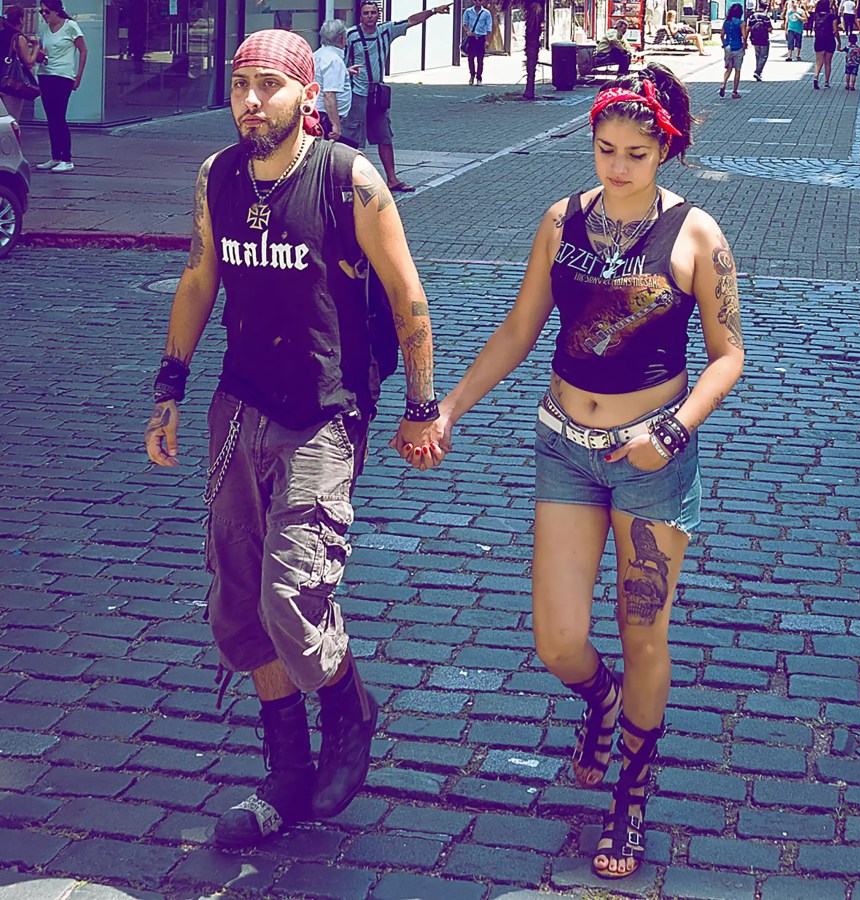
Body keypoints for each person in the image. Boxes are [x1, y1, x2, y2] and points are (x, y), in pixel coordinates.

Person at [434, 61, 744, 883]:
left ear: (665, 151)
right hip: (563, 444)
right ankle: (599, 703)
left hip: (651, 458)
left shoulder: (697, 237)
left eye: (636, 153)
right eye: (605, 149)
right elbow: (519, 329)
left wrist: (673, 433)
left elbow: (729, 355)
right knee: (559, 639)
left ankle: (631, 795)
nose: (615, 167)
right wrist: (450, 407)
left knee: (645, 635)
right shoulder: (561, 221)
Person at [144, 28, 445, 849]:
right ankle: (285, 770)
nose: (251, 101)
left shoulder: (349, 179)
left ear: (307, 98)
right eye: (242, 85)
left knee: (292, 595)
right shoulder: (218, 177)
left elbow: (408, 296)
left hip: (323, 410)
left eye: (269, 86)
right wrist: (169, 390)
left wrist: (422, 407)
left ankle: (348, 705)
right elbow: (201, 277)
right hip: (238, 409)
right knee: (237, 608)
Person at [345, 0, 452, 193]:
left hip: (378, 94)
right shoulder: (352, 35)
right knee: (354, 139)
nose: (369, 16)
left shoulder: (386, 30)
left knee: (385, 137)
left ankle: (392, 179)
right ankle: (350, 181)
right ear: (360, 16)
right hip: (358, 94)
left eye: (373, 13)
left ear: (378, 15)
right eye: (366, 13)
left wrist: (434, 11)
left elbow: (411, 21)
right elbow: (343, 62)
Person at [33, 0, 84, 173]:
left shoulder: (71, 26)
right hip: (45, 74)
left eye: (47, 12)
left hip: (62, 76)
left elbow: (83, 50)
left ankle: (67, 158)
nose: (44, 15)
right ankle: (55, 156)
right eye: (42, 12)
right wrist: (39, 55)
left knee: (59, 116)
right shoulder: (44, 27)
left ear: (56, 11)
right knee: (51, 117)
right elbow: (42, 49)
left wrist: (78, 76)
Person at [314, 19, 355, 145]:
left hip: (319, 114)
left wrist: (345, 72)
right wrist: (335, 125)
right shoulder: (333, 61)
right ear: (343, 39)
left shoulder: (318, 54)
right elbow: (329, 94)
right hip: (327, 117)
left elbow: (321, 77)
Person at [0, 5, 38, 120]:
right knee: (11, 123)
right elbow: (29, 62)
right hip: (10, 86)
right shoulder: (18, 38)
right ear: (21, 20)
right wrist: (36, 46)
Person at [810, 0, 841, 87]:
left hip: (819, 39)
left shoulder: (816, 16)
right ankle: (826, 82)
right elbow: (835, 30)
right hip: (829, 40)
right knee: (828, 62)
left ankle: (816, 77)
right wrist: (839, 41)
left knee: (818, 61)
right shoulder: (832, 16)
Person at [462, 0, 493, 84]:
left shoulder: (486, 13)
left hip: (481, 37)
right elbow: (465, 23)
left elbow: (489, 27)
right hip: (472, 37)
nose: (478, 2)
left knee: (480, 59)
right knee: (470, 58)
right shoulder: (468, 11)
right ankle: (472, 75)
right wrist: (468, 31)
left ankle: (479, 77)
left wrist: (487, 40)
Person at [719, 4, 747, 97]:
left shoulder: (726, 22)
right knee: (737, 70)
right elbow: (744, 36)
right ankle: (734, 92)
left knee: (728, 68)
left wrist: (724, 44)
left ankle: (723, 83)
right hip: (737, 47)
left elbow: (722, 35)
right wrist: (744, 45)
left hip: (727, 47)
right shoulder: (741, 23)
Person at [748, 4, 773, 79]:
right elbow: (769, 29)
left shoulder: (753, 16)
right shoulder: (766, 17)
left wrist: (745, 38)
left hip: (754, 39)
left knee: (758, 55)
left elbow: (748, 27)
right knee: (764, 56)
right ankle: (758, 71)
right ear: (765, 8)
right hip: (764, 38)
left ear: (759, 6)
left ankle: (758, 71)